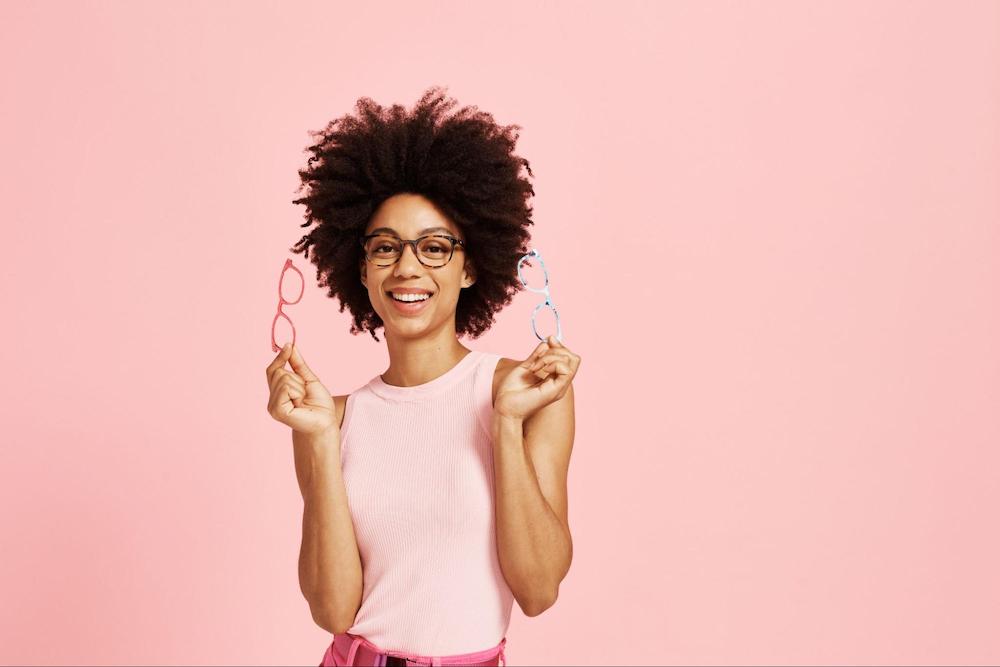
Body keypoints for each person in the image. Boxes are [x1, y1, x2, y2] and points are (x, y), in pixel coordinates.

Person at [265, 86, 581, 667]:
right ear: (362, 269)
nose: (407, 267)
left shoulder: (525, 393)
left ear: (470, 267)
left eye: (434, 248)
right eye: (385, 248)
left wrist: (504, 425)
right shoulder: (330, 417)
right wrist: (319, 438)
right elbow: (333, 610)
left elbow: (538, 590)